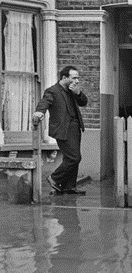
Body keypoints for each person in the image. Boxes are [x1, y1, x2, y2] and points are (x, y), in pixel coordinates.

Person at [33, 65, 88, 195]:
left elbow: (83, 102)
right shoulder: (52, 91)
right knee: (74, 158)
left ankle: (69, 187)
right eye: (74, 78)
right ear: (64, 77)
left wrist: (78, 93)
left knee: (71, 157)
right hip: (63, 129)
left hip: (75, 127)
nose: (77, 81)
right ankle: (54, 178)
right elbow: (44, 102)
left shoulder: (72, 90)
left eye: (77, 78)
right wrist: (39, 112)